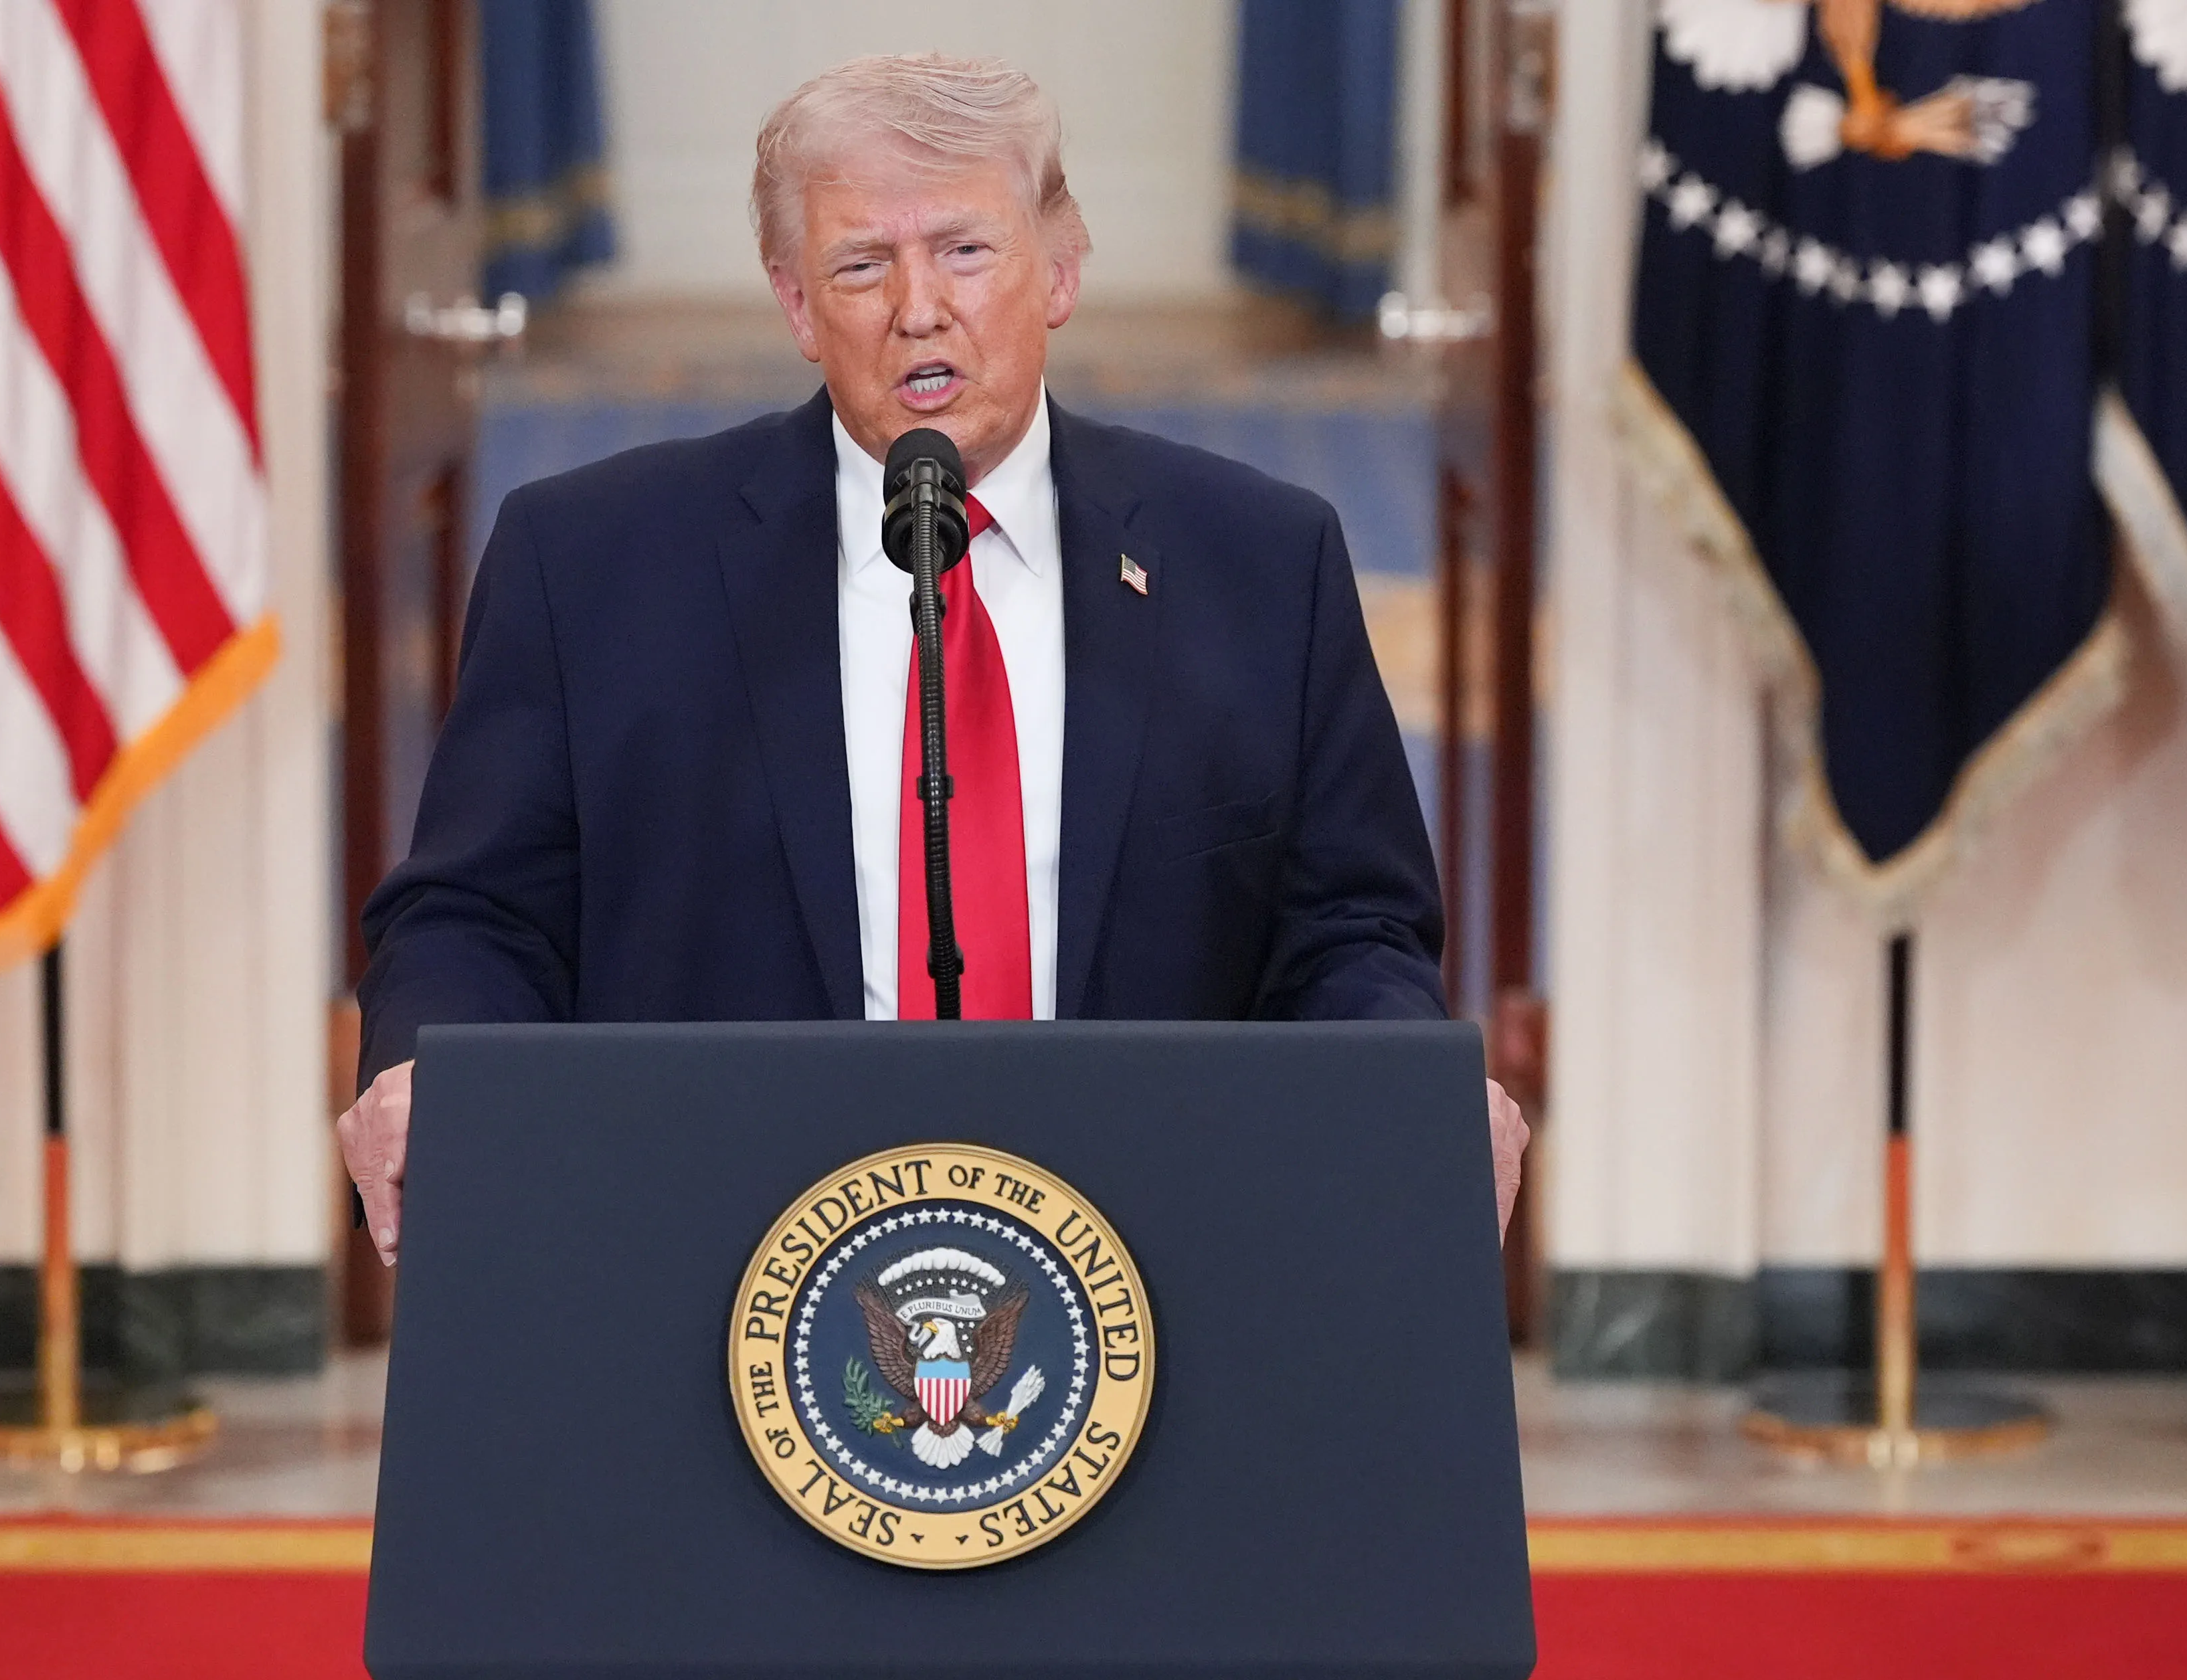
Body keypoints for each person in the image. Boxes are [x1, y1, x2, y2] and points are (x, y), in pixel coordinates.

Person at [339, 54, 1530, 1265]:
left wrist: (1405, 1082)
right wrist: (425, 1071)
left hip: (1153, 1264)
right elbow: (474, 916)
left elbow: (1350, 932)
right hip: (708, 1259)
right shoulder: (590, 564)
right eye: (862, 264)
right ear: (798, 306)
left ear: (1059, 271)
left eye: (966, 251)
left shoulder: (1263, 564)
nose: (920, 308)